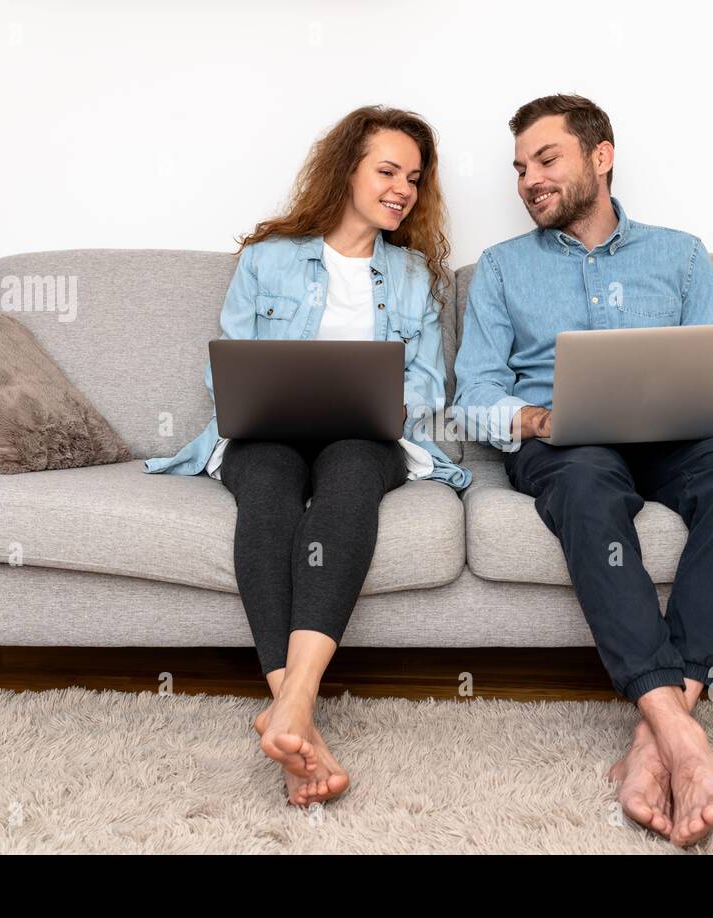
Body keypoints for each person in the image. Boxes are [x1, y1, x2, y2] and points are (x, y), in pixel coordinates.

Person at [451, 94, 713, 847]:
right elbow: (470, 400)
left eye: (546, 159)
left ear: (601, 157)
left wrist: (705, 408)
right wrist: (538, 419)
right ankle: (683, 737)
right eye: (519, 168)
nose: (529, 179)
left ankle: (652, 734)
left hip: (673, 436)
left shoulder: (681, 254)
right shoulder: (500, 270)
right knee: (587, 485)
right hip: (564, 442)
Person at [144, 105, 470, 807]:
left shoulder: (415, 274)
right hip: (270, 430)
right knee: (266, 484)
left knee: (352, 470)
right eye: (387, 170)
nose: (402, 189)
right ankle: (294, 714)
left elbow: (428, 383)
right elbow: (221, 371)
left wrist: (381, 399)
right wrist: (275, 393)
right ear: (346, 168)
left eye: (413, 178)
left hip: (368, 433)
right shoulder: (267, 258)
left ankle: (290, 705)